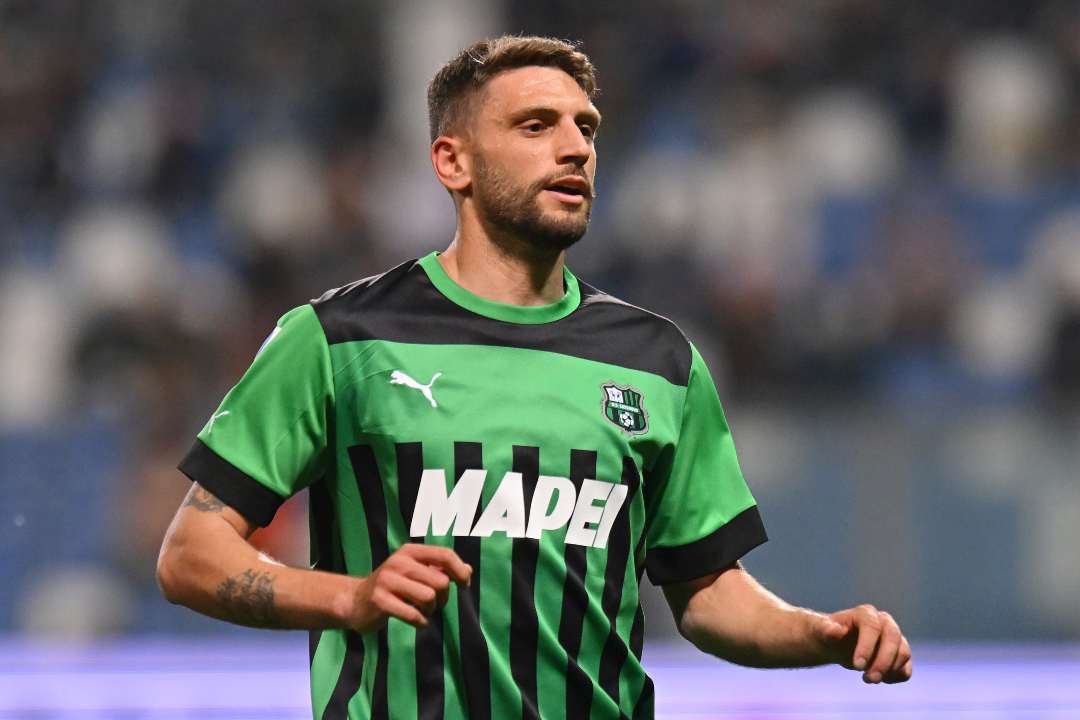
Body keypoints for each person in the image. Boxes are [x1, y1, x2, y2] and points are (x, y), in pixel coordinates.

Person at [157, 35, 912, 720]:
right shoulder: (338, 339)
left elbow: (708, 593)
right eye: (535, 126)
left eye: (586, 128)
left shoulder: (657, 361)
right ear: (452, 162)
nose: (575, 147)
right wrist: (347, 595)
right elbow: (192, 553)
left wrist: (820, 634)